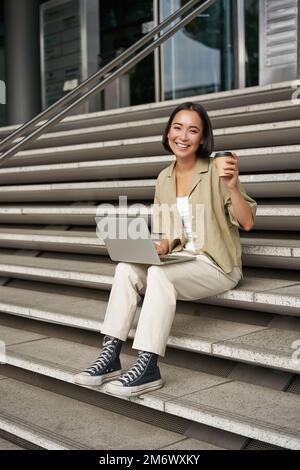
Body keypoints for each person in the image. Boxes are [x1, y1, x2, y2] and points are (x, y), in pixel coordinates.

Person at [74, 102, 257, 398]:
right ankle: (110, 356)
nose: (183, 136)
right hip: (183, 259)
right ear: (168, 131)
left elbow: (246, 222)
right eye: (177, 127)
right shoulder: (164, 178)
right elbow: (170, 232)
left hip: (217, 265)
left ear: (202, 138)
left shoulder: (216, 171)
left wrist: (233, 186)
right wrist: (158, 246)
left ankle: (148, 365)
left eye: (192, 130)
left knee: (159, 277)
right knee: (125, 269)